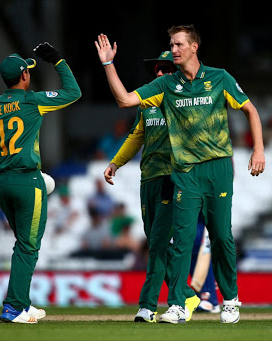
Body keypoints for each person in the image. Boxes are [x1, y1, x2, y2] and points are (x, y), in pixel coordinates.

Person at [96, 24, 265, 324]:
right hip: (184, 171)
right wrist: (108, 64)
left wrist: (258, 150)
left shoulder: (219, 77)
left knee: (222, 235)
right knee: (183, 238)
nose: (173, 49)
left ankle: (230, 299)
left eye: (177, 45)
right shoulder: (165, 85)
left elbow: (250, 110)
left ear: (193, 47)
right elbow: (124, 100)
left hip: (218, 167)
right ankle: (177, 304)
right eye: (171, 44)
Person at [0, 42, 81, 323]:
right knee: (28, 247)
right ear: (24, 76)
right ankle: (14, 306)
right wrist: (57, 60)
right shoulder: (32, 100)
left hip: (3, 183)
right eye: (28, 72)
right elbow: (73, 92)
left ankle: (23, 304)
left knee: (23, 244)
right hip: (28, 181)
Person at [103, 51, 201, 323]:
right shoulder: (147, 104)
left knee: (156, 242)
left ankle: (147, 306)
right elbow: (137, 136)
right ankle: (187, 295)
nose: (159, 74)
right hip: (149, 178)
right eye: (157, 69)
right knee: (153, 237)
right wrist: (116, 162)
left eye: (166, 69)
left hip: (175, 177)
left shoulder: (186, 101)